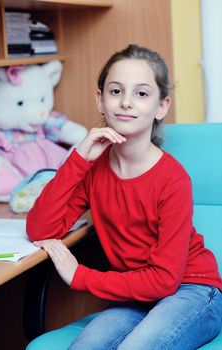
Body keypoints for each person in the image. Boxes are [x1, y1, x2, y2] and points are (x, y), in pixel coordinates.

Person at [26, 44, 222, 350]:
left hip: (192, 288)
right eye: (116, 91)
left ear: (161, 106)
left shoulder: (173, 179)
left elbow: (163, 281)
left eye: (141, 94)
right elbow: (40, 229)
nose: (126, 102)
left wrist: (80, 276)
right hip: (133, 294)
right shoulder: (93, 170)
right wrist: (79, 158)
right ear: (100, 100)